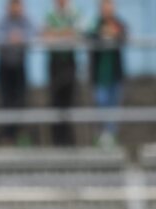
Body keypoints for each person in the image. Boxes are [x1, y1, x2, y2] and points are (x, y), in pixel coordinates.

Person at [0, 0, 35, 144]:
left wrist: (21, 38)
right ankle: (7, 136)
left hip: (19, 66)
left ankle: (20, 134)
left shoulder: (26, 20)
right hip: (4, 66)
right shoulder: (1, 21)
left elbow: (34, 34)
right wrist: (8, 39)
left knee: (20, 100)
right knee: (5, 101)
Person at [88, 0, 128, 147]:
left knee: (114, 108)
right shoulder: (95, 24)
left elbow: (124, 34)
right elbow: (89, 35)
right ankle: (101, 137)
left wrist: (114, 33)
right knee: (100, 106)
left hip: (115, 76)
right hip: (99, 77)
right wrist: (101, 33)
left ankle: (112, 138)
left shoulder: (118, 24)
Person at [44, 0, 83, 146]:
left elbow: (77, 34)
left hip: (69, 62)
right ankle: (57, 140)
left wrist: (58, 34)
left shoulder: (74, 13)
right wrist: (63, 33)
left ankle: (69, 140)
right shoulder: (50, 14)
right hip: (54, 63)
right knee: (55, 101)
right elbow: (46, 36)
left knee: (70, 100)